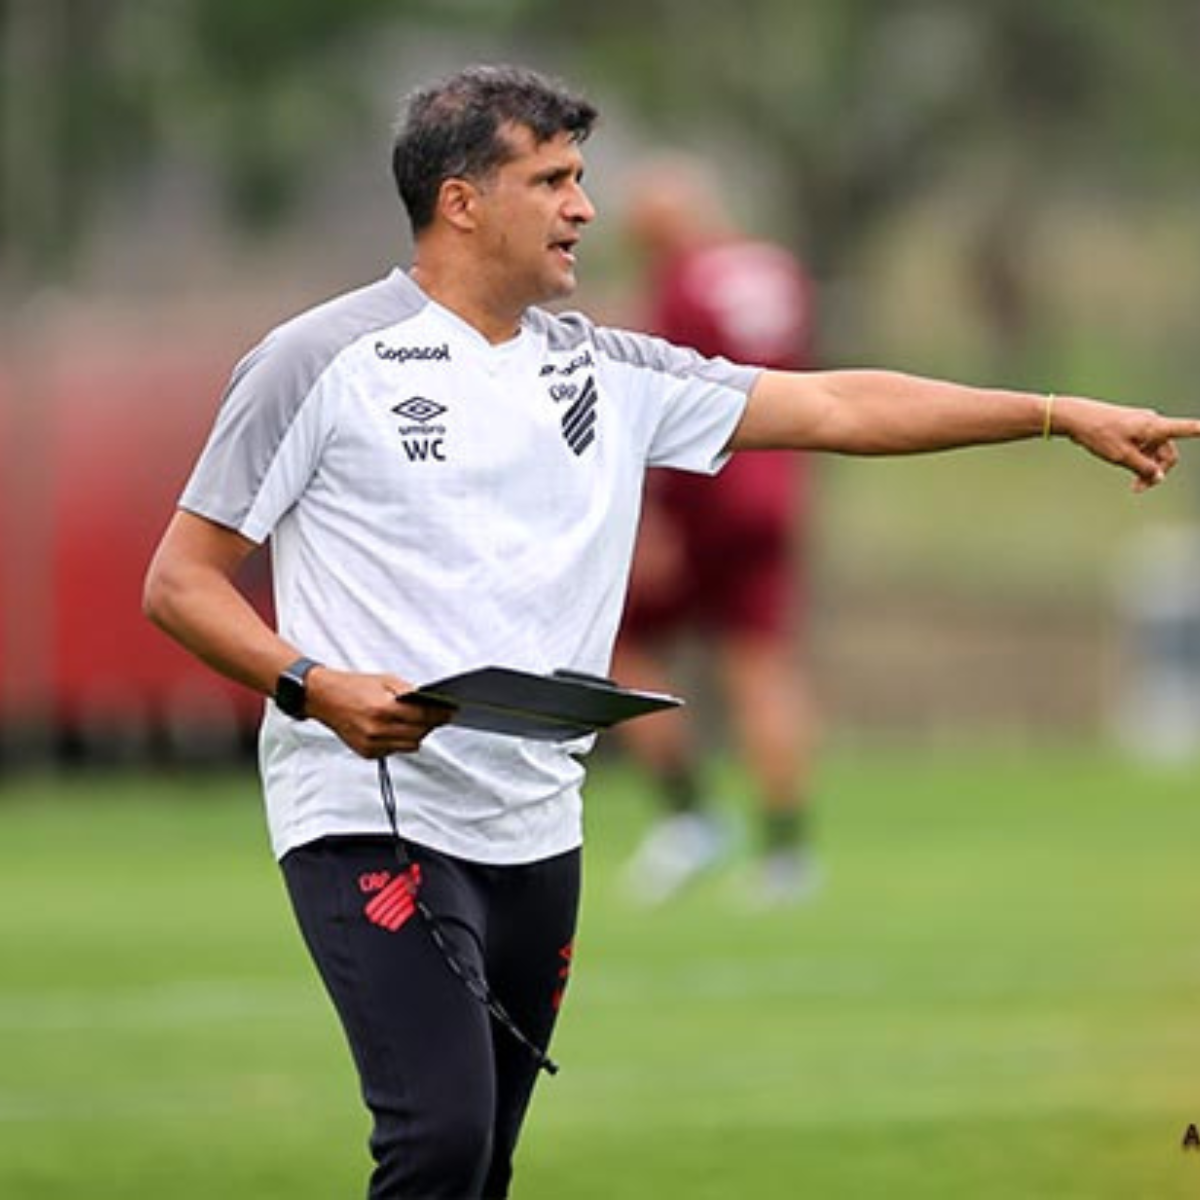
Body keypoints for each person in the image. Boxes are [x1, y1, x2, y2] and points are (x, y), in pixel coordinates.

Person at [142, 63, 1198, 1200]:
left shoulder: (606, 366)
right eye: (552, 180)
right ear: (462, 201)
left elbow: (837, 406)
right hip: (369, 812)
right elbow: (181, 582)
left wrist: (1051, 414)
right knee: (437, 1142)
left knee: (483, 1161)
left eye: (581, 178)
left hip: (538, 825)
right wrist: (314, 686)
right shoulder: (317, 362)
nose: (584, 208)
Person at [612, 154, 821, 905]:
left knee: (618, 640)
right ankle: (788, 854)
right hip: (777, 487)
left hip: (707, 490)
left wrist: (656, 519)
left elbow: (668, 398)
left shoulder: (681, 284)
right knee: (762, 666)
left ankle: (689, 816)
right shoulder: (778, 270)